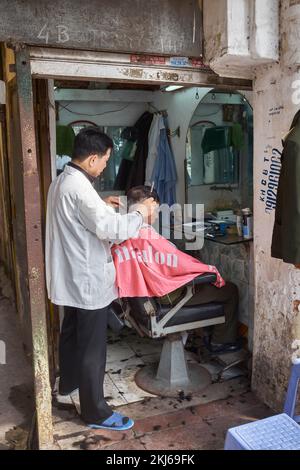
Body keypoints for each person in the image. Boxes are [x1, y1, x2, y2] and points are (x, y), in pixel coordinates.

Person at [45, 128, 156, 431]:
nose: (106, 165)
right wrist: (140, 212)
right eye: (105, 160)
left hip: (70, 279)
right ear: (92, 158)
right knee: (92, 346)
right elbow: (114, 231)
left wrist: (101, 206)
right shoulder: (79, 189)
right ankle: (95, 412)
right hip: (86, 280)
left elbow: (83, 219)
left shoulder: (63, 182)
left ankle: (67, 391)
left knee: (71, 336)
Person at [113, 185, 240, 354]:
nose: (157, 215)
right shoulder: (146, 236)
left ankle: (207, 334)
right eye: (156, 210)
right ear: (146, 208)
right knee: (229, 290)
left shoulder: (121, 233)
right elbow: (177, 264)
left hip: (151, 296)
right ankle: (220, 342)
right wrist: (207, 269)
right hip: (170, 295)